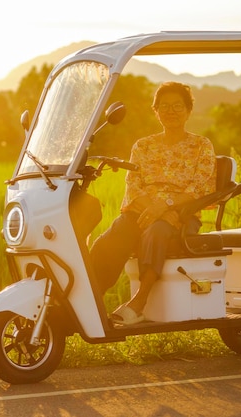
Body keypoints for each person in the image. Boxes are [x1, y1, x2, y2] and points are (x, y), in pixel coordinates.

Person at [89, 81, 217, 325]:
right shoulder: (143, 146)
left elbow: (200, 188)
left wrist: (166, 205)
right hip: (145, 212)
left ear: (188, 111)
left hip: (182, 215)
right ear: (155, 111)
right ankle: (91, 301)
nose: (171, 111)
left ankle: (139, 303)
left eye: (178, 106)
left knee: (156, 232)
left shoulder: (201, 145)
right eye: (164, 106)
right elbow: (134, 186)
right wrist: (156, 210)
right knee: (113, 235)